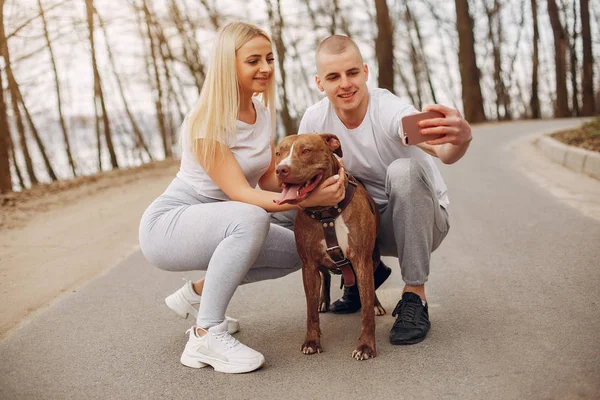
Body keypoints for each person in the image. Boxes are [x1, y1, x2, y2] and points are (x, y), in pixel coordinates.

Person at [138, 22, 344, 374]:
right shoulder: (206, 120)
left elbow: (265, 176)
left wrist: (312, 184)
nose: (265, 68)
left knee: (300, 246)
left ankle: (197, 295)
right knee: (252, 217)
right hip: (171, 224)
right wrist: (305, 202)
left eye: (269, 58)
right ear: (227, 64)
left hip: (222, 218)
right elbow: (241, 193)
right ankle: (206, 334)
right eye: (253, 61)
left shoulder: (260, 112)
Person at [298, 35, 472, 345]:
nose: (345, 84)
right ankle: (363, 275)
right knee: (312, 200)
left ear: (365, 72)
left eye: (352, 73)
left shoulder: (390, 109)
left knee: (403, 171)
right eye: (333, 77)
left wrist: (462, 138)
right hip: (365, 226)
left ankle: (415, 295)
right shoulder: (314, 120)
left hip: (418, 220)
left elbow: (444, 152)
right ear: (319, 83)